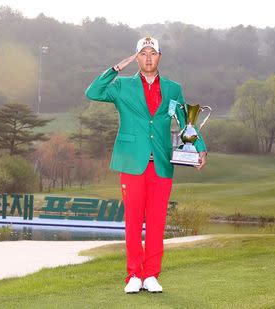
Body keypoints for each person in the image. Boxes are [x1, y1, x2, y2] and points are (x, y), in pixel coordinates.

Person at [85, 36, 207, 294]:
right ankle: (133, 275)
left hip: (161, 162)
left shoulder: (173, 89)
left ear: (160, 57)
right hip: (132, 163)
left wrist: (199, 148)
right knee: (133, 220)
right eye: (143, 53)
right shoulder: (122, 86)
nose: (148, 57)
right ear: (136, 57)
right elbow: (92, 92)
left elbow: (187, 121)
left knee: (156, 221)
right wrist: (115, 69)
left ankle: (151, 274)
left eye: (153, 53)